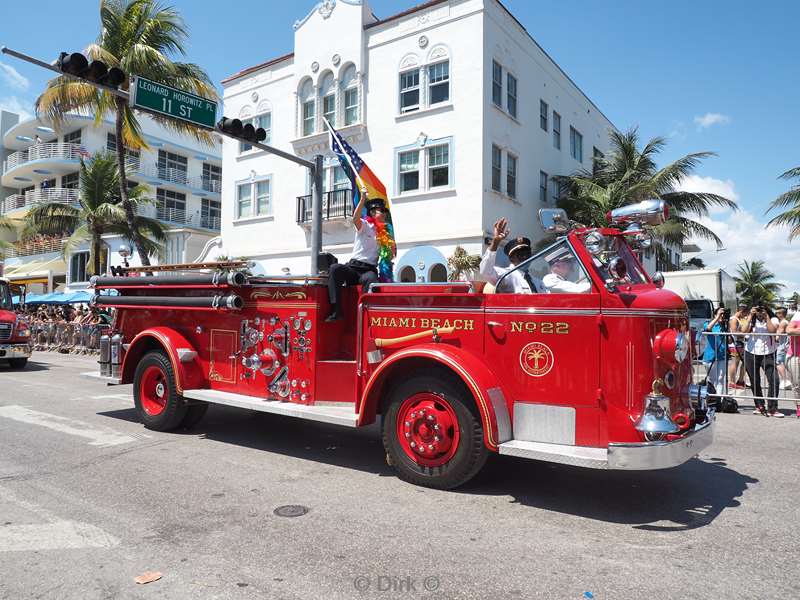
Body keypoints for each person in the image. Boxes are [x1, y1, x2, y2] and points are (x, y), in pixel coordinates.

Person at [325, 195, 393, 321]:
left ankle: (363, 315)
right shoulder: (365, 225)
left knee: (371, 279)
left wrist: (390, 249)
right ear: (372, 212)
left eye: (385, 211)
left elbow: (390, 256)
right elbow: (355, 218)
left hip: (369, 270)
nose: (384, 213)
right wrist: (362, 200)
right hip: (353, 267)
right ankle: (336, 310)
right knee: (335, 268)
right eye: (381, 211)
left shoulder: (386, 234)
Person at [479, 218, 539, 293]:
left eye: (527, 254)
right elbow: (485, 271)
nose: (525, 257)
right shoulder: (506, 275)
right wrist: (495, 242)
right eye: (520, 255)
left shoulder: (538, 282)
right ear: (511, 259)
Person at [741, 305, 780, 416]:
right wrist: (750, 316)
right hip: (751, 352)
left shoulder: (773, 319)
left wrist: (766, 316)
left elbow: (772, 331)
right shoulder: (751, 319)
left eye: (761, 310)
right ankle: (759, 405)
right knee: (754, 381)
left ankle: (772, 408)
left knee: (774, 380)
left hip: (768, 353)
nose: (759, 312)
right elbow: (743, 331)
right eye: (757, 310)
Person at [702, 307, 728, 396]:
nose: (722, 316)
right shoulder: (708, 323)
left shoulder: (725, 326)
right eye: (721, 313)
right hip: (711, 356)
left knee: (720, 378)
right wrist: (717, 318)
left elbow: (730, 341)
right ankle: (710, 399)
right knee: (712, 380)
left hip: (722, 355)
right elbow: (708, 329)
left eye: (723, 314)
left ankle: (719, 399)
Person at [728, 304, 750, 389]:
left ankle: (740, 381)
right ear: (741, 312)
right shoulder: (734, 319)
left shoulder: (737, 319)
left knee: (744, 363)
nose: (745, 316)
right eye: (745, 314)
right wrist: (744, 334)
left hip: (741, 343)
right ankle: (732, 382)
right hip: (736, 343)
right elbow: (734, 331)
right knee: (735, 362)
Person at [786, 309, 800, 418]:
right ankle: (799, 406)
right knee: (796, 383)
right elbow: (789, 330)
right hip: (795, 354)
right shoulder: (797, 315)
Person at [775, 307, 792, 390]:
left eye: (777, 313)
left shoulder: (783, 323)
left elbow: (778, 335)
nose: (776, 314)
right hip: (785, 345)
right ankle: (788, 380)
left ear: (781, 314)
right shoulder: (785, 322)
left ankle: (785, 381)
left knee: (778, 362)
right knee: (785, 363)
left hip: (782, 346)